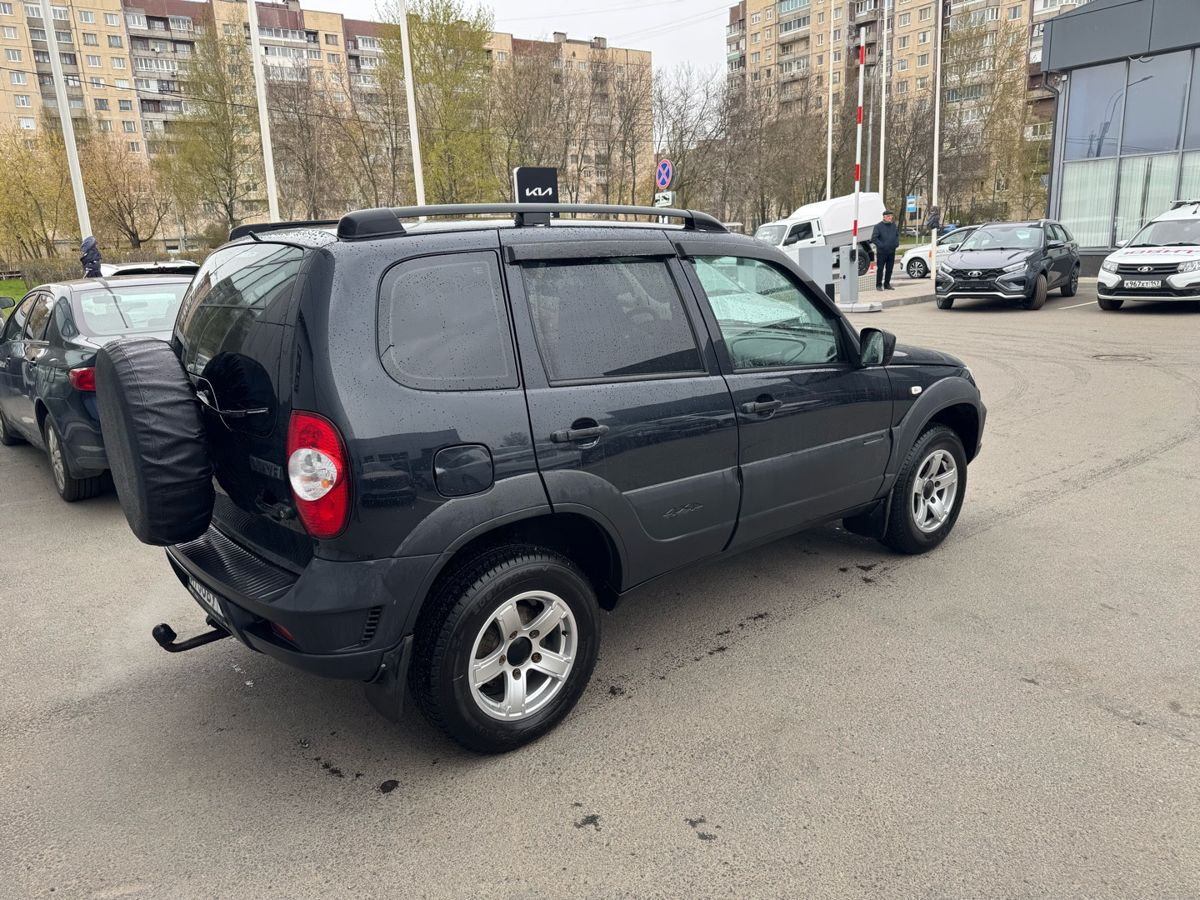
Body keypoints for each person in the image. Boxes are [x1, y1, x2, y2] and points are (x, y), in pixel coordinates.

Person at [873, 210, 899, 291]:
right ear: (884, 217)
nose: (890, 218)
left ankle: (887, 284)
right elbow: (874, 238)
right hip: (882, 252)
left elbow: (897, 235)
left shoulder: (893, 226)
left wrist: (896, 243)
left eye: (891, 216)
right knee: (880, 269)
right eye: (888, 216)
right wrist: (881, 245)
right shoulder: (878, 226)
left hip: (891, 251)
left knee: (889, 269)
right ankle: (878, 285)